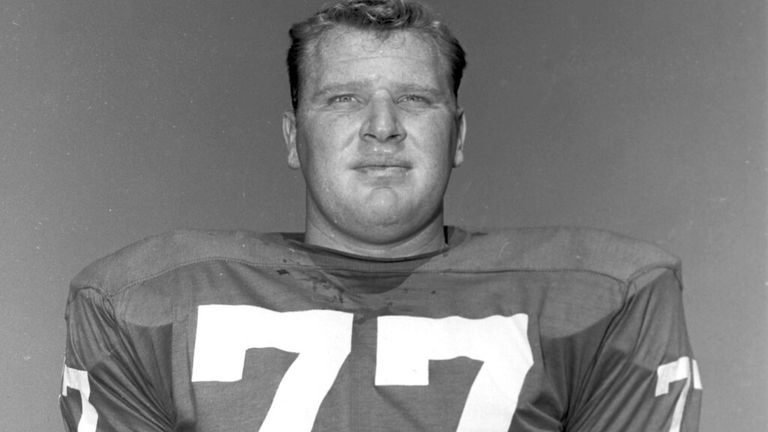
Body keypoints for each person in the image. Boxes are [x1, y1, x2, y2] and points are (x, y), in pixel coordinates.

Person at [60, 0, 702, 430]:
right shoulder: (139, 304)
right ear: (292, 138)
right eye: (343, 99)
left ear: (457, 135)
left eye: (416, 100)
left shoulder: (607, 296)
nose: (382, 128)